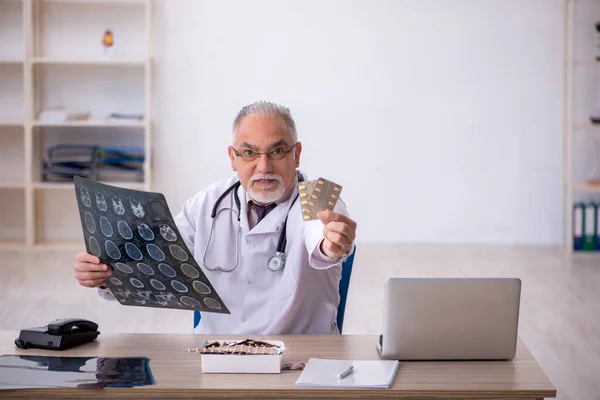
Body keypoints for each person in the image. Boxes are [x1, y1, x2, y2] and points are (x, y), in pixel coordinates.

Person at [73, 101, 357, 335]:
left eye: (278, 151)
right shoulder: (208, 202)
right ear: (233, 158)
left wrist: (331, 245)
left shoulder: (319, 193)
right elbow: (153, 258)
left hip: (297, 361)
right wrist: (104, 273)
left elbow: (320, 233)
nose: (264, 166)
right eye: (249, 153)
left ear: (297, 155)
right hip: (218, 357)